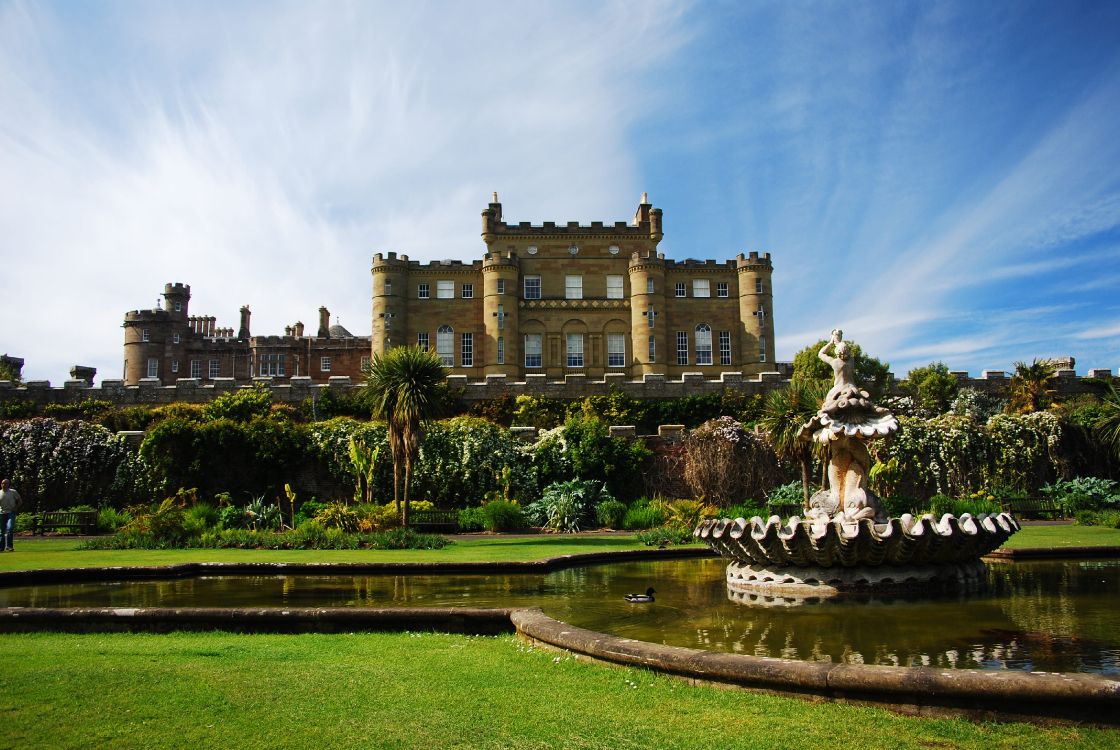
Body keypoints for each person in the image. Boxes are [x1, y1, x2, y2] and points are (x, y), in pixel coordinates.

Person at [0, 478, 23, 551]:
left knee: (10, 528)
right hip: (2, 513)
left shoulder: (13, 492)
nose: (4, 485)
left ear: (8, 484)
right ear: (1, 484)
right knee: (1, 531)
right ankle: (1, 547)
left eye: (6, 483)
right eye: (3, 483)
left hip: (11, 513)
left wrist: (16, 508)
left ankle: (9, 546)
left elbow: (20, 501)